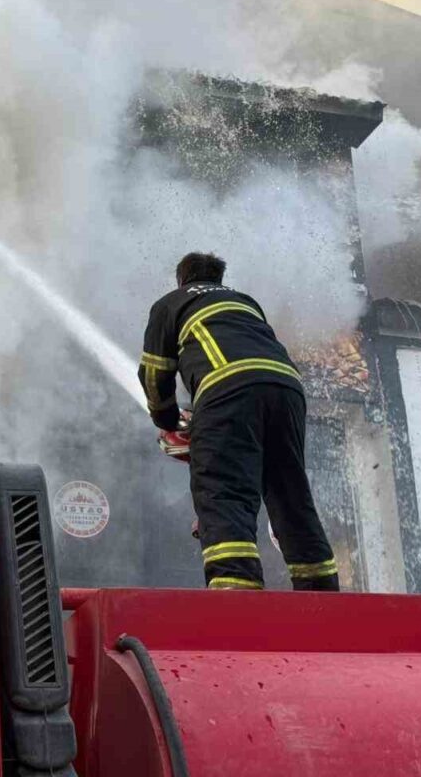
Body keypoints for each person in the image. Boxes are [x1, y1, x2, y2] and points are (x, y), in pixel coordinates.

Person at [137, 252, 339, 591]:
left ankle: (236, 590)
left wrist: (169, 420)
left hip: (227, 388)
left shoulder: (170, 304)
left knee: (223, 491)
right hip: (287, 389)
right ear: (218, 278)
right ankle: (321, 590)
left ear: (181, 279)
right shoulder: (244, 302)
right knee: (289, 491)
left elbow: (155, 373)